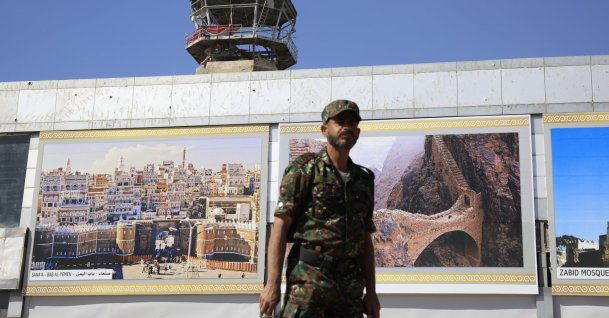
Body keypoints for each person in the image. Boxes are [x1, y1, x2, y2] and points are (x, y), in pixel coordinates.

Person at [259, 100, 381, 317]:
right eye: (340, 121)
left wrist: (371, 291)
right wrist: (272, 284)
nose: (347, 127)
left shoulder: (363, 180)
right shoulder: (304, 170)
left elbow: (365, 238)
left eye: (352, 123)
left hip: (350, 287)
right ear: (325, 130)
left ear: (358, 132)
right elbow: (280, 226)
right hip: (310, 281)